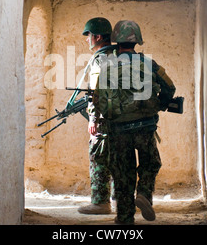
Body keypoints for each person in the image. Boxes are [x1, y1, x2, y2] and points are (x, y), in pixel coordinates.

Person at [92, 20, 176, 224]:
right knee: (150, 163)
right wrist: (160, 105)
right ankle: (144, 194)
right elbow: (169, 88)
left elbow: (98, 99)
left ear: (116, 41)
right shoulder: (148, 63)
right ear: (137, 41)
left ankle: (124, 218)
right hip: (145, 127)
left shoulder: (107, 66)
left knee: (122, 173)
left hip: (118, 129)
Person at [75, 17, 116, 215]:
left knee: (98, 157)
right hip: (122, 117)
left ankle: (100, 202)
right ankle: (119, 200)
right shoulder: (121, 55)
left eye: (89, 35)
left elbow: (96, 91)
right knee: (119, 158)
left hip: (105, 118)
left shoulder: (100, 59)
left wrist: (93, 119)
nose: (87, 40)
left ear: (98, 37)